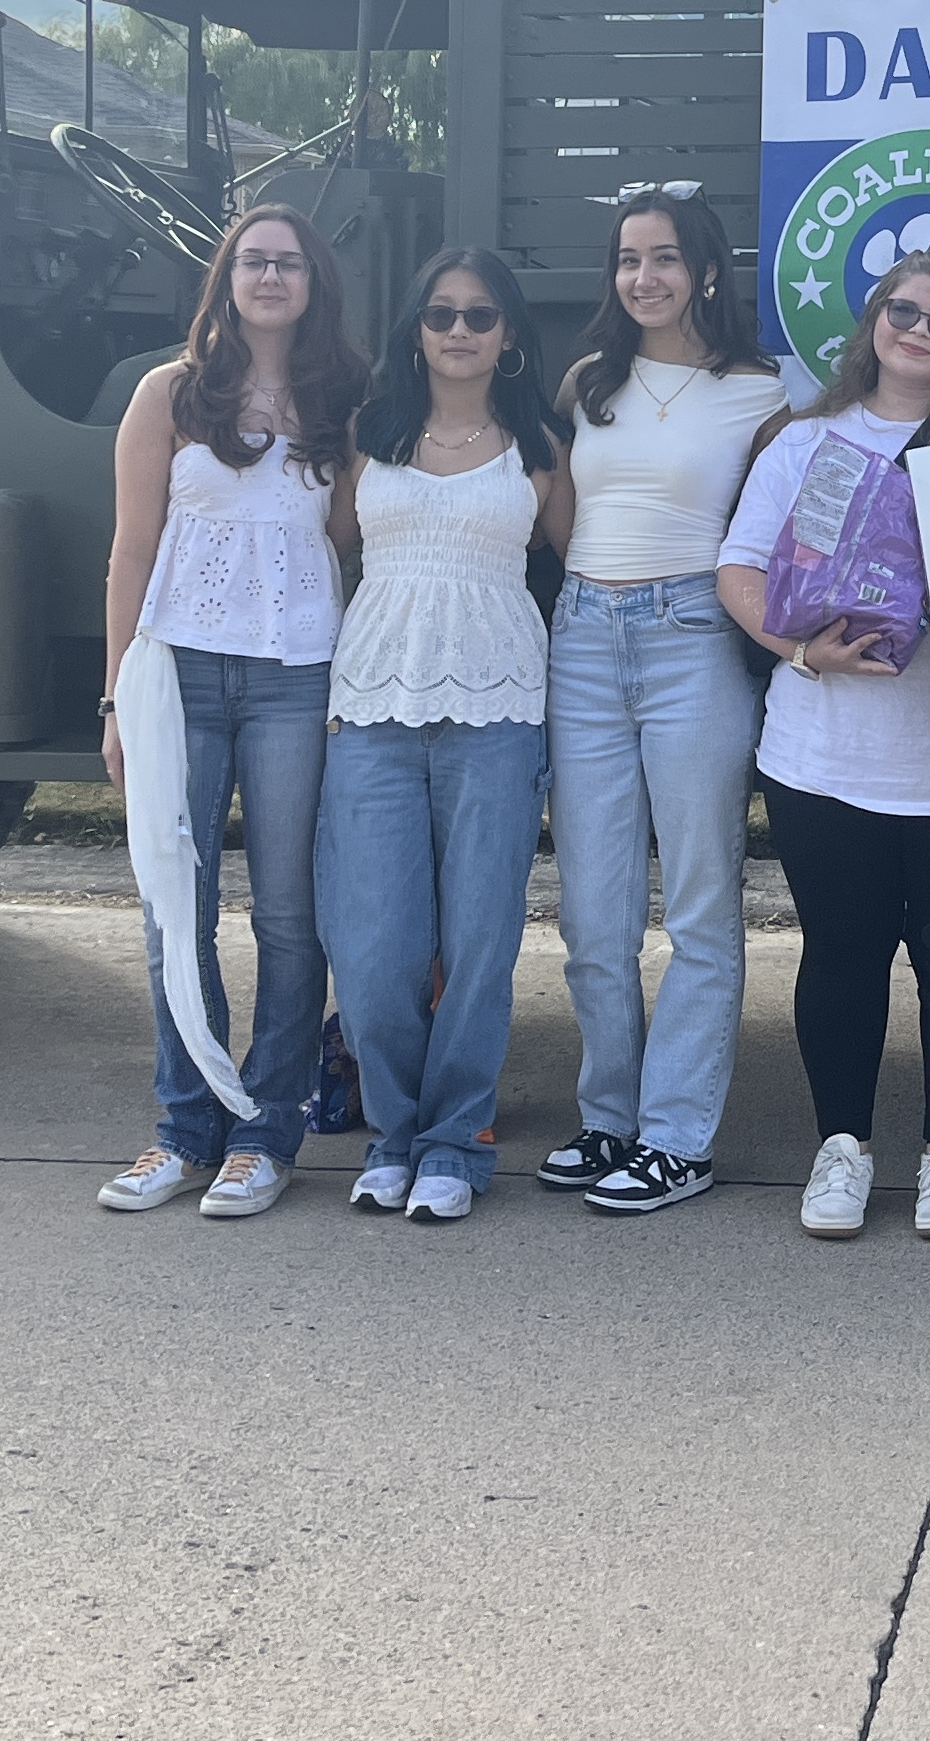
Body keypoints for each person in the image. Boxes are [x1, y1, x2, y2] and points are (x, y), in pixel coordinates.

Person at [717, 248, 930, 1241]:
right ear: (872, 321)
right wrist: (801, 650)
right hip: (826, 760)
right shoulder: (804, 443)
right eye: (903, 309)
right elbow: (739, 570)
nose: (920, 330)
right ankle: (842, 1148)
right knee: (843, 959)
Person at [93, 206, 367, 1221]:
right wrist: (119, 693)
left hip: (297, 674)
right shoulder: (169, 393)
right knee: (179, 906)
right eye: (253, 259)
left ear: (313, 284)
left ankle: (266, 1134)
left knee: (291, 918)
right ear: (226, 276)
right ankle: (185, 1126)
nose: (269, 276)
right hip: (179, 674)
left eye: (289, 262)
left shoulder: (341, 399)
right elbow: (130, 549)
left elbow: (343, 537)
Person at [537, 192, 790, 1216]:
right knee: (593, 914)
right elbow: (566, 513)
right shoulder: (589, 382)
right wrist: (603, 600)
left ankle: (677, 1138)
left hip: (695, 641)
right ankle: (609, 1120)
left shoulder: (759, 391)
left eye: (666, 258)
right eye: (629, 259)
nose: (645, 277)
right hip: (585, 637)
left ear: (708, 271)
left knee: (697, 903)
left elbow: (777, 523)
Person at [320, 248, 573, 1222]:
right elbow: (321, 554)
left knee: (478, 949)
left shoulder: (540, 447)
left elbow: (588, 566)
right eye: (441, 315)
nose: (459, 332)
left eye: (479, 316)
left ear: (508, 334)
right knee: (378, 956)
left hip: (499, 716)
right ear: (414, 330)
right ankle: (392, 1134)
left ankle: (455, 1145)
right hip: (372, 714)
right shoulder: (366, 435)